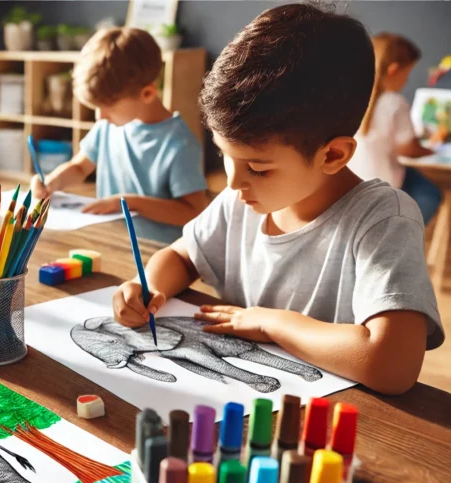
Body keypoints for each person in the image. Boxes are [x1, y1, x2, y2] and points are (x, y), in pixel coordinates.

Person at [113, 3, 443, 395]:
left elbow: (392, 365)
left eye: (257, 167)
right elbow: (184, 256)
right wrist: (148, 284)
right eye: (225, 156)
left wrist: (273, 323)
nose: (234, 183)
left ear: (333, 155)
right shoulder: (242, 201)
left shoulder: (383, 219)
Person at [30, 27, 208, 244]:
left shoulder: (178, 143)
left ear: (147, 93)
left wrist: (128, 202)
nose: (99, 117)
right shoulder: (108, 126)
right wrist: (53, 181)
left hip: (158, 253)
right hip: (112, 241)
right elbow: (79, 168)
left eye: (108, 107)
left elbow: (194, 211)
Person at [349, 32, 441, 225]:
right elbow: (407, 149)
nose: (406, 81)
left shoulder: (349, 99)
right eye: (406, 74)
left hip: (351, 188)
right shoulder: (394, 102)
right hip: (385, 189)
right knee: (431, 192)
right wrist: (432, 146)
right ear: (393, 70)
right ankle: (408, 229)